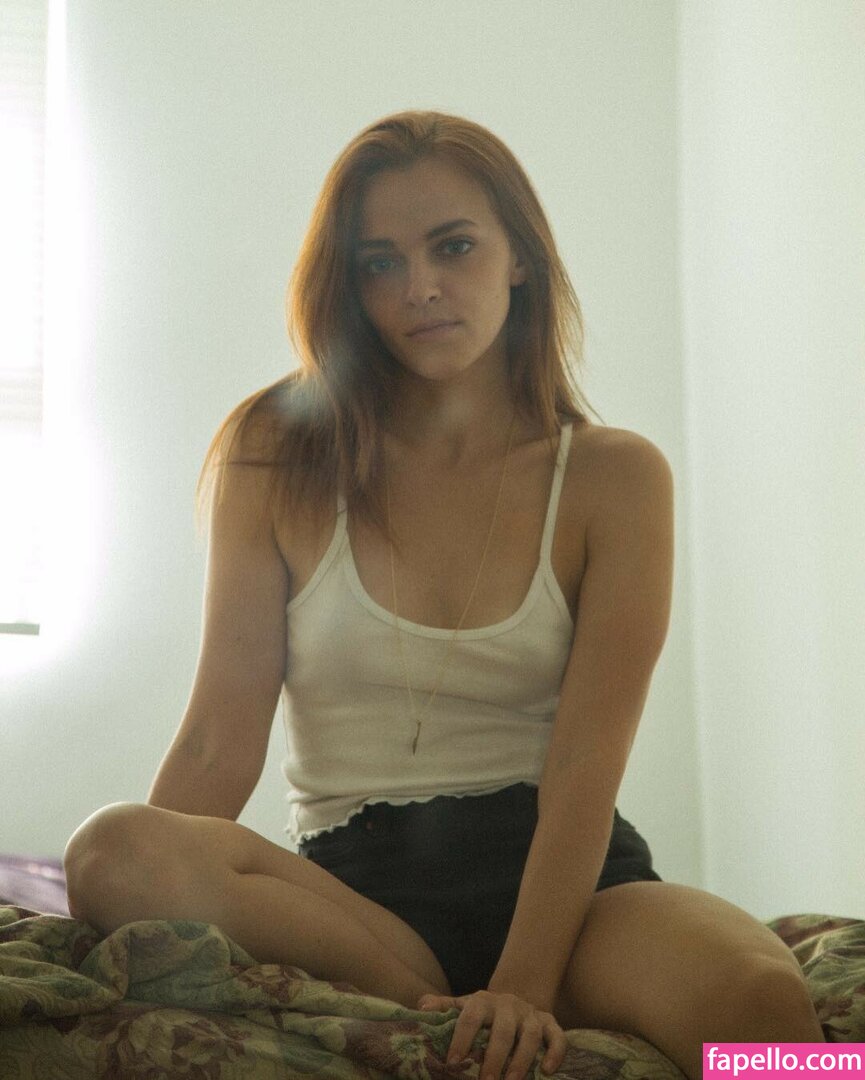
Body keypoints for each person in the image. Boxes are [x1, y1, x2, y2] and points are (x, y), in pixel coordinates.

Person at [64, 110, 824, 1080]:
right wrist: (145, 911)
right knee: (112, 850)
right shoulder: (276, 451)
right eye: (379, 263)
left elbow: (585, 769)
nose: (418, 287)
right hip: (358, 901)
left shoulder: (615, 477)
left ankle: (463, 1009)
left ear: (520, 258)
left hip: (572, 889)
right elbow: (218, 742)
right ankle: (426, 1009)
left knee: (765, 1010)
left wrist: (525, 984)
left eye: (453, 247)